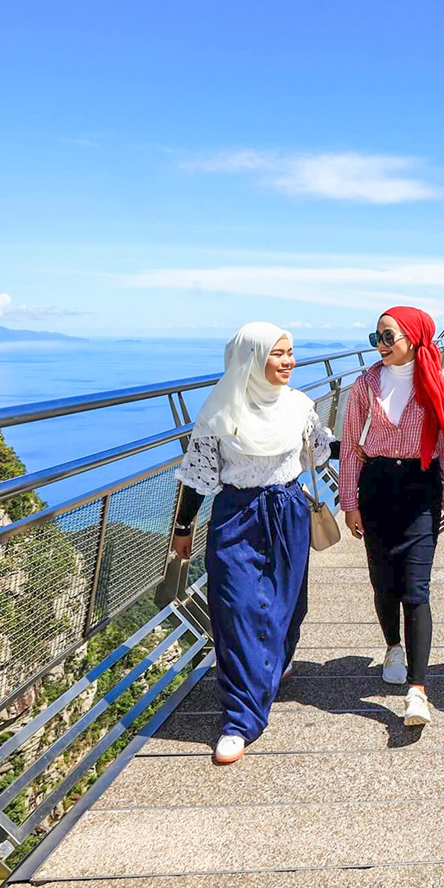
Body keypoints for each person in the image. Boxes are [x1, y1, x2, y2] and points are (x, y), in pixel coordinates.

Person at [172, 322, 332, 764]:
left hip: (288, 512)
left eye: (290, 352)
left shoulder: (301, 406)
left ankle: (268, 673)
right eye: (277, 353)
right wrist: (183, 528)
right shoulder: (219, 412)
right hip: (235, 516)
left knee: (286, 607)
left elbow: (320, 452)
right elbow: (196, 477)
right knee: (236, 609)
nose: (288, 362)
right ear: (250, 359)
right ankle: (239, 719)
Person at [340, 307, 444, 726]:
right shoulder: (365, 384)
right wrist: (349, 501)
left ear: (415, 338)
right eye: (377, 338)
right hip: (376, 485)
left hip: (419, 485)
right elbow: (351, 441)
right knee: (383, 580)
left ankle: (418, 689)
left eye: (389, 337)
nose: (381, 346)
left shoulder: (441, 385)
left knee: (417, 588)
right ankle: (393, 645)